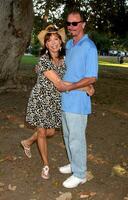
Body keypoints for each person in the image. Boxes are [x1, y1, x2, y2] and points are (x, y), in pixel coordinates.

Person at [21, 25, 94, 180]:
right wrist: (83, 88)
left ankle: (27, 141)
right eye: (49, 40)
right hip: (40, 99)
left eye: (56, 39)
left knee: (51, 132)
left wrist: (88, 83)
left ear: (61, 42)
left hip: (55, 100)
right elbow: (60, 84)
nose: (53, 42)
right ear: (45, 45)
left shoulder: (63, 59)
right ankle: (46, 165)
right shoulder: (43, 60)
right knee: (41, 132)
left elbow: (71, 76)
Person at [58, 9, 98, 188]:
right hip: (65, 98)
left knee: (76, 138)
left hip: (78, 101)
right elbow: (70, 69)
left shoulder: (89, 46)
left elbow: (92, 77)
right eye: (68, 23)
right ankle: (74, 164)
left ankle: (80, 173)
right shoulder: (69, 45)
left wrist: (72, 86)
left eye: (75, 23)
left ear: (83, 24)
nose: (71, 26)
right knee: (67, 135)